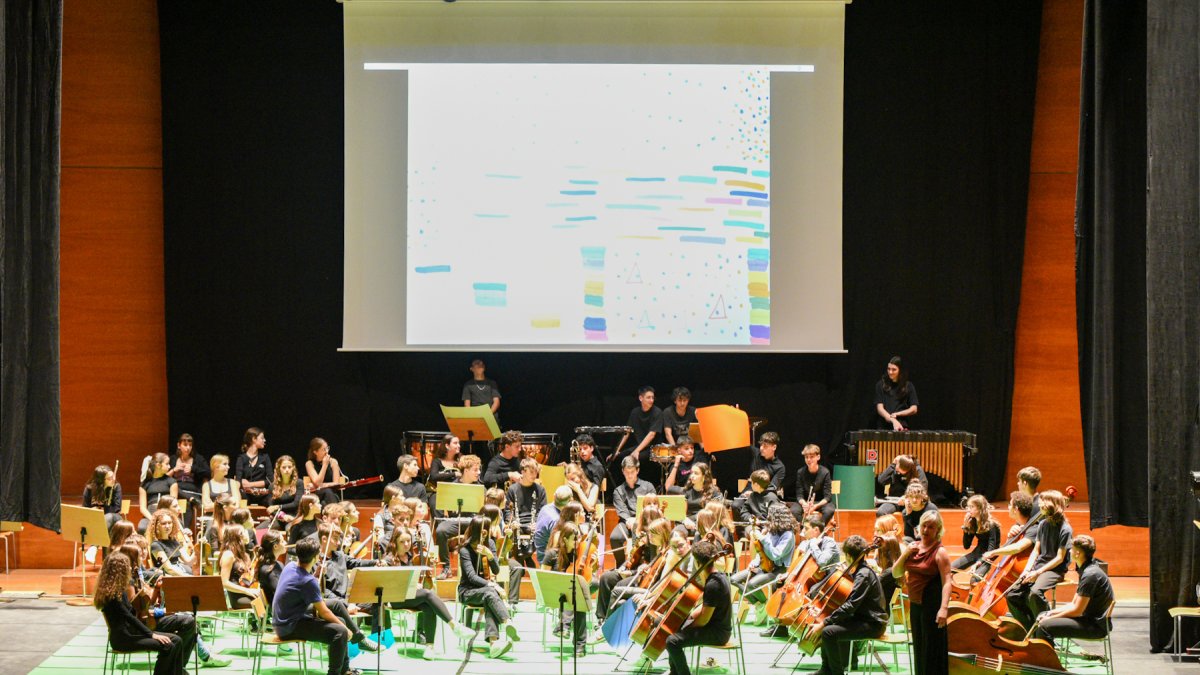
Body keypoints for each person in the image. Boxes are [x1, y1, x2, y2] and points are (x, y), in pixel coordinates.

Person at [380, 526, 475, 659]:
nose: (407, 544)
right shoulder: (389, 560)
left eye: (408, 541)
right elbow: (390, 585)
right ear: (394, 542)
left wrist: (414, 584)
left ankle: (429, 647)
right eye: (402, 541)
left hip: (410, 596)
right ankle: (454, 625)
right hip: (396, 599)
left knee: (429, 606)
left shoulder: (410, 557)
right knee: (428, 594)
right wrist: (411, 586)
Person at [95, 551, 195, 675]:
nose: (130, 568)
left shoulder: (115, 590)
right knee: (170, 644)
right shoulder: (113, 595)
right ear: (119, 571)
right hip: (124, 638)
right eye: (127, 566)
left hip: (130, 633)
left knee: (177, 640)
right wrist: (151, 634)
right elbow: (129, 617)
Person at [272, 538, 354, 675]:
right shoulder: (308, 581)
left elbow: (301, 586)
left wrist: (315, 576)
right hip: (288, 626)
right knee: (341, 631)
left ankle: (345, 670)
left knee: (341, 620)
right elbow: (324, 612)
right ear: (316, 557)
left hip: (282, 619)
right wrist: (346, 629)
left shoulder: (290, 566)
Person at [814, 535, 889, 675]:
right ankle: (826, 669)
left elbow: (850, 605)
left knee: (828, 631)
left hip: (873, 623)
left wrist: (823, 623)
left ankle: (836, 672)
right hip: (864, 618)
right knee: (832, 625)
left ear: (848, 555)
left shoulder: (863, 575)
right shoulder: (861, 571)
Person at [1005, 489, 1073, 633]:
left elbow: (1059, 558)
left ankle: (1047, 628)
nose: (1040, 505)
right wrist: (1027, 570)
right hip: (1039, 566)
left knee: (1035, 593)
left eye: (1043, 503)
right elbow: (1036, 551)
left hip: (1055, 569)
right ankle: (1030, 629)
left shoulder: (1065, 529)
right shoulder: (1042, 524)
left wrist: (1037, 572)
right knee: (1012, 594)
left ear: (1053, 505)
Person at [894, 510, 951, 675]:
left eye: (931, 527)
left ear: (938, 530)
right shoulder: (913, 549)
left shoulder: (940, 552)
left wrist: (944, 608)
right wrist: (905, 554)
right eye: (924, 526)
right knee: (919, 648)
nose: (926, 530)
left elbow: (947, 582)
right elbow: (896, 573)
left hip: (932, 607)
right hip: (916, 606)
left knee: (932, 652)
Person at [664, 539, 732, 675]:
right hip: (719, 628)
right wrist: (686, 620)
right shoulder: (720, 577)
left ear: (697, 562)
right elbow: (705, 609)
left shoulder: (713, 584)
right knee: (674, 627)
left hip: (717, 633)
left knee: (672, 642)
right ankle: (674, 672)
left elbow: (703, 620)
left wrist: (687, 627)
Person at [457, 515, 520, 658]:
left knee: (489, 597)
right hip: (467, 591)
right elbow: (471, 577)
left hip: (486, 591)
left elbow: (496, 570)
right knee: (491, 593)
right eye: (485, 528)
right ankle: (507, 621)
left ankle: (493, 645)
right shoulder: (464, 550)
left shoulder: (490, 543)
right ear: (478, 530)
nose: (488, 531)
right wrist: (494, 585)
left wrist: (490, 555)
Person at [1035, 535, 1113, 644]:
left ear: (1078, 554)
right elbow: (1073, 604)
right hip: (1087, 619)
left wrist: (1050, 619)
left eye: (1071, 549)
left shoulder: (1090, 575)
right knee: (1043, 615)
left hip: (1095, 626)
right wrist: (1050, 613)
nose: (1069, 551)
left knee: (1044, 626)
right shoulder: (1086, 569)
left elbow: (1077, 611)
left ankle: (1047, 660)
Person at [731, 503, 795, 626]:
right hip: (764, 566)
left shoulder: (788, 535)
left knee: (751, 584)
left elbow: (774, 555)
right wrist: (754, 563)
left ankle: (763, 605)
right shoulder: (773, 531)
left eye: (770, 515)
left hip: (778, 569)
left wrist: (763, 538)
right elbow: (762, 552)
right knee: (734, 580)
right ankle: (761, 604)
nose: (767, 518)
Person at [539, 521, 591, 657]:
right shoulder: (552, 555)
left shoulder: (578, 555)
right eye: (574, 540)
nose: (578, 542)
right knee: (577, 599)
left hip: (573, 595)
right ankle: (579, 645)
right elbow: (543, 578)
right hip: (556, 593)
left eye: (579, 538)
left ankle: (564, 627)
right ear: (564, 539)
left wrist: (593, 564)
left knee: (579, 601)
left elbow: (586, 576)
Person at [504, 457, 546, 611]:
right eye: (531, 471)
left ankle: (526, 562)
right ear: (523, 472)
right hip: (517, 525)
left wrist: (538, 523)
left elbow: (543, 510)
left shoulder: (540, 490)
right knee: (513, 538)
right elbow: (507, 510)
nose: (535, 474)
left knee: (533, 543)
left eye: (536, 471)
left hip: (534, 526)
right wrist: (511, 521)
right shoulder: (512, 489)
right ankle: (528, 563)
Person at [609, 455, 657, 567]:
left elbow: (653, 506)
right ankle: (621, 566)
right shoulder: (618, 490)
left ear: (637, 470)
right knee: (614, 537)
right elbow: (621, 510)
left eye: (632, 472)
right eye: (627, 472)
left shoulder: (648, 486)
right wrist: (628, 520)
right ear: (622, 471)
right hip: (626, 522)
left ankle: (647, 564)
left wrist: (638, 520)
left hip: (646, 521)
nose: (629, 475)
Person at [613, 386, 664, 484]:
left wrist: (637, 451)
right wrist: (617, 450)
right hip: (640, 447)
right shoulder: (635, 412)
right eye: (648, 397)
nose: (651, 400)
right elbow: (626, 432)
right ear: (641, 398)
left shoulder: (657, 412)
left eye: (653, 398)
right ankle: (623, 487)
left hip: (654, 448)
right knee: (617, 457)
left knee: (637, 458)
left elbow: (651, 435)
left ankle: (639, 485)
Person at [166, 434, 208, 528]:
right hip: (176, 492)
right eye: (185, 444)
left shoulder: (198, 459)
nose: (188, 448)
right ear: (179, 445)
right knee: (175, 486)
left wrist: (193, 469)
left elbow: (208, 473)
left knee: (187, 504)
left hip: (193, 491)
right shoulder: (172, 459)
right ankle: (192, 500)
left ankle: (186, 530)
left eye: (190, 445)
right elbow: (163, 478)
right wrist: (174, 470)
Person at [217, 526, 261, 610]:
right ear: (238, 536)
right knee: (265, 602)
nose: (247, 533)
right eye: (244, 532)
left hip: (248, 592)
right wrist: (247, 591)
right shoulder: (228, 555)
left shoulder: (244, 555)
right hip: (238, 597)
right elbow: (223, 583)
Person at [953, 494, 1001, 571]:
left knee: (974, 581)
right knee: (951, 568)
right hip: (977, 553)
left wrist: (978, 563)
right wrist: (966, 528)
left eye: (972, 507)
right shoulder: (973, 522)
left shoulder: (991, 525)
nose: (968, 510)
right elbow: (966, 546)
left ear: (980, 508)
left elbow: (990, 550)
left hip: (990, 556)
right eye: (968, 507)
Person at [793, 443, 836, 525]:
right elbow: (799, 494)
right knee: (794, 510)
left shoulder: (825, 472)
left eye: (812, 457)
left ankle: (818, 529)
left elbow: (827, 497)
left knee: (829, 510)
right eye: (806, 457)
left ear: (818, 457)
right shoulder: (800, 472)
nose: (808, 460)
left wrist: (815, 506)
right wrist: (804, 504)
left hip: (820, 502)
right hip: (805, 502)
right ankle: (805, 529)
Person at [875, 355, 918, 430]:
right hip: (883, 427)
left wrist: (897, 414)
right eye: (888, 369)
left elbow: (914, 409)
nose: (890, 372)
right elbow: (880, 408)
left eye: (894, 369)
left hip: (902, 426)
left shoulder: (909, 386)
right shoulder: (880, 385)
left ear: (900, 370)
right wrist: (893, 420)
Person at [138, 454, 178, 534]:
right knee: (142, 527)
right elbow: (142, 508)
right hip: (150, 514)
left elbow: (173, 504)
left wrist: (164, 517)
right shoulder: (144, 484)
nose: (169, 466)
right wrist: (152, 518)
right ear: (158, 465)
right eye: (167, 464)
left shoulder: (172, 482)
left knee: (173, 526)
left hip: (167, 514)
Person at [147, 510, 195, 576]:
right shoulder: (156, 545)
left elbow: (189, 562)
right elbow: (169, 569)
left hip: (181, 572)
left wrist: (199, 547)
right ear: (157, 526)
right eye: (163, 523)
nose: (167, 526)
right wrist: (187, 577)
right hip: (171, 577)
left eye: (169, 523)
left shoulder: (174, 541)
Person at [234, 427, 272, 507]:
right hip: (246, 494)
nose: (264, 440)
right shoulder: (241, 458)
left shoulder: (265, 457)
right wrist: (242, 485)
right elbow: (238, 480)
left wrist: (250, 484)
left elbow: (270, 480)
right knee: (241, 496)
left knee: (271, 498)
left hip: (262, 494)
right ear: (254, 439)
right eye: (262, 438)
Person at [305, 437, 346, 506]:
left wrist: (322, 485)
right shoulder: (309, 464)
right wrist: (324, 465)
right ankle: (337, 514)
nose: (327, 451)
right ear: (315, 452)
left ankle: (332, 514)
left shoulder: (333, 462)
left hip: (332, 494)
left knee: (324, 503)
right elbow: (318, 483)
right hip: (317, 495)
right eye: (323, 449)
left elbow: (336, 483)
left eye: (327, 448)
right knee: (327, 492)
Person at [83, 464, 124, 532]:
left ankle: (97, 541)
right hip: (95, 518)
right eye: (109, 478)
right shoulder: (89, 489)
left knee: (108, 517)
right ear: (101, 480)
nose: (113, 479)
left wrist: (100, 510)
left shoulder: (116, 487)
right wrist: (91, 511)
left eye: (113, 476)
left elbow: (116, 508)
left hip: (114, 517)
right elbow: (85, 508)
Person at [268, 455, 303, 526]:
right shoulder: (272, 486)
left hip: (293, 517)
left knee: (290, 530)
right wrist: (282, 516)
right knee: (261, 530)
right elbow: (270, 507)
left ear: (293, 468)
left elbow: (296, 504)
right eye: (284, 467)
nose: (287, 470)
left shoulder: (299, 483)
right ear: (279, 469)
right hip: (278, 517)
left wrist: (279, 507)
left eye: (289, 467)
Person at [256, 530, 286, 607]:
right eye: (283, 541)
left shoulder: (279, 564)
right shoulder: (267, 570)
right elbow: (281, 594)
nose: (286, 543)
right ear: (275, 546)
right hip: (282, 609)